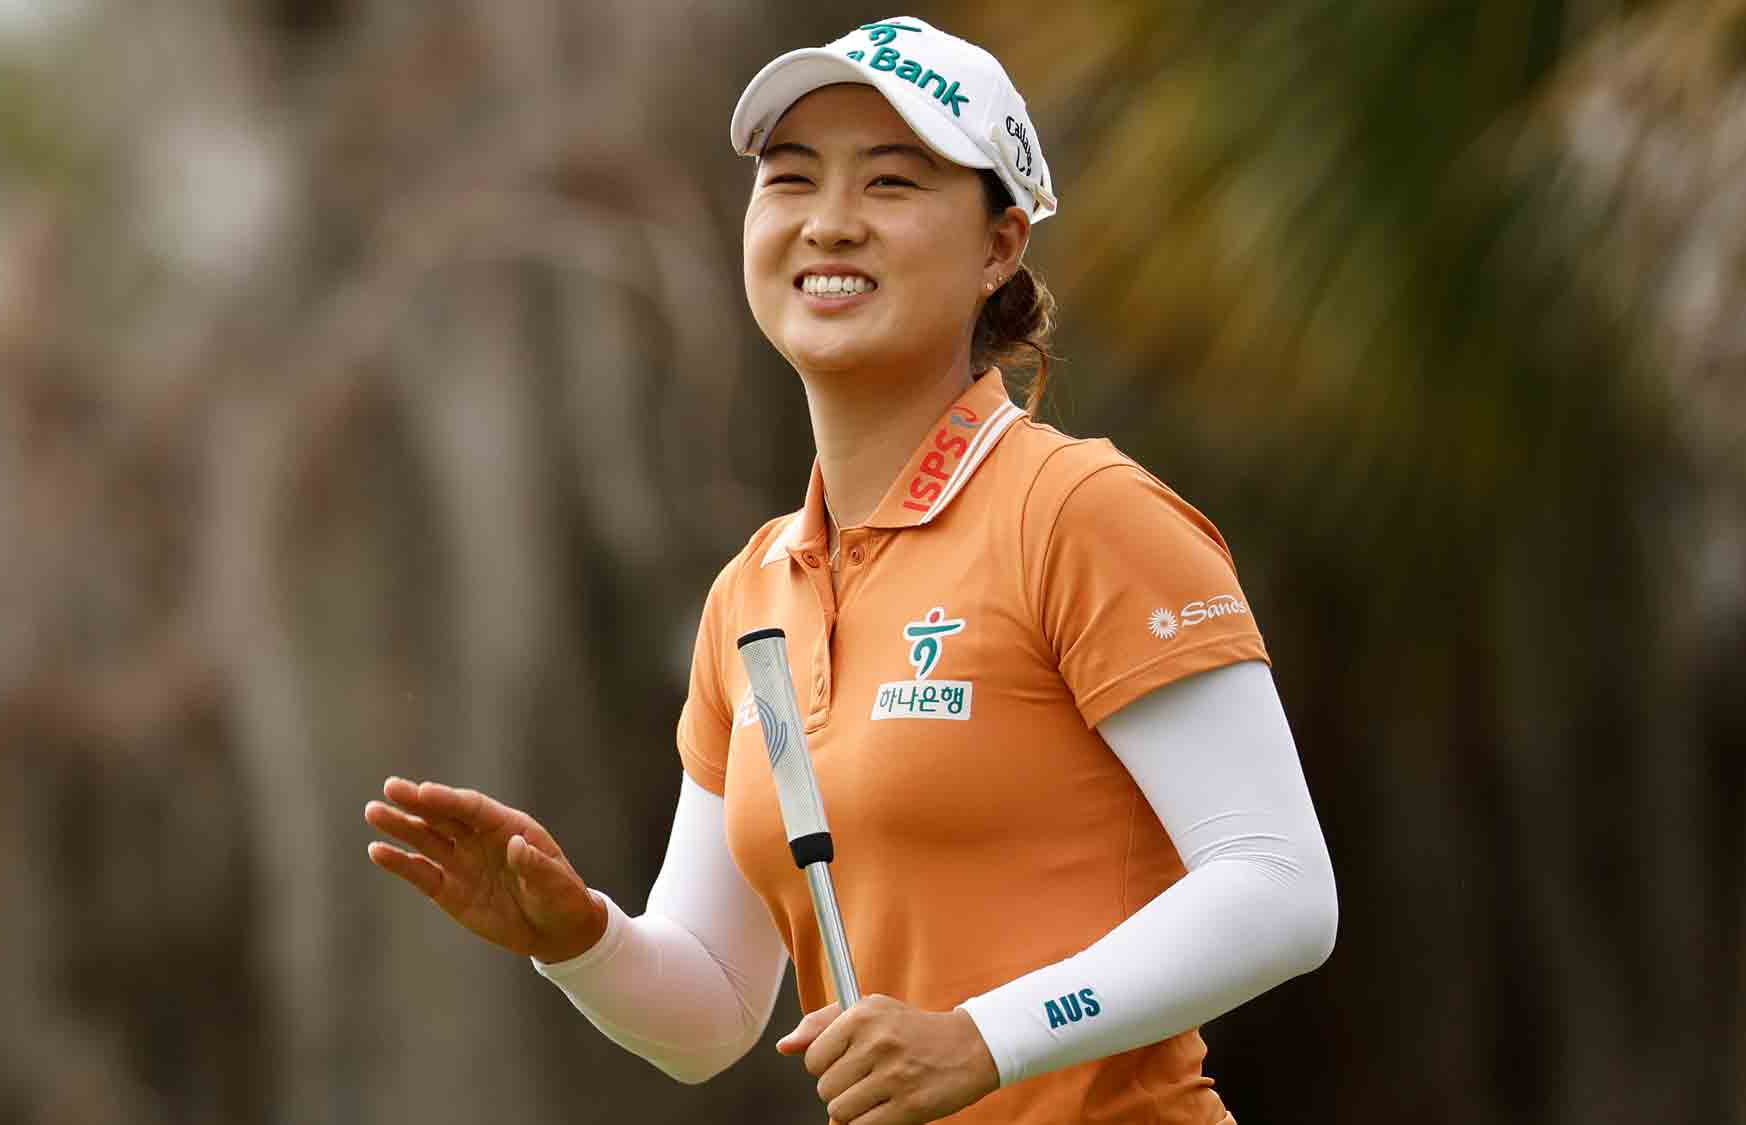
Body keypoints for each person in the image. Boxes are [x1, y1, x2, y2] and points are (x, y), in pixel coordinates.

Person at [364, 17, 1336, 1124]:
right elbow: (714, 1007)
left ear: (997, 246)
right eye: (790, 180)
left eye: (890, 184)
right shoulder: (752, 593)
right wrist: (577, 940)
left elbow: (1277, 888)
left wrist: (986, 1038)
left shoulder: (1079, 513)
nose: (828, 223)